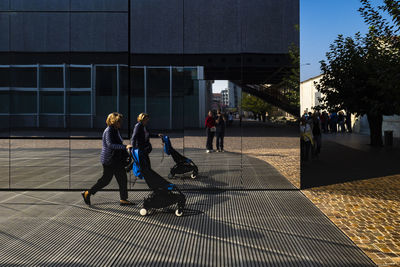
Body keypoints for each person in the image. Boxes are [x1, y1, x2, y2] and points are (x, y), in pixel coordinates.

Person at [82, 112, 134, 206]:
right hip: (109, 160)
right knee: (105, 180)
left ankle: (123, 199)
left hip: (116, 159)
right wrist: (125, 147)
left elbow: (117, 143)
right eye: (118, 121)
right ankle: (88, 193)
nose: (120, 123)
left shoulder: (115, 130)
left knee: (122, 178)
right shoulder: (109, 130)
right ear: (113, 121)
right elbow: (110, 145)